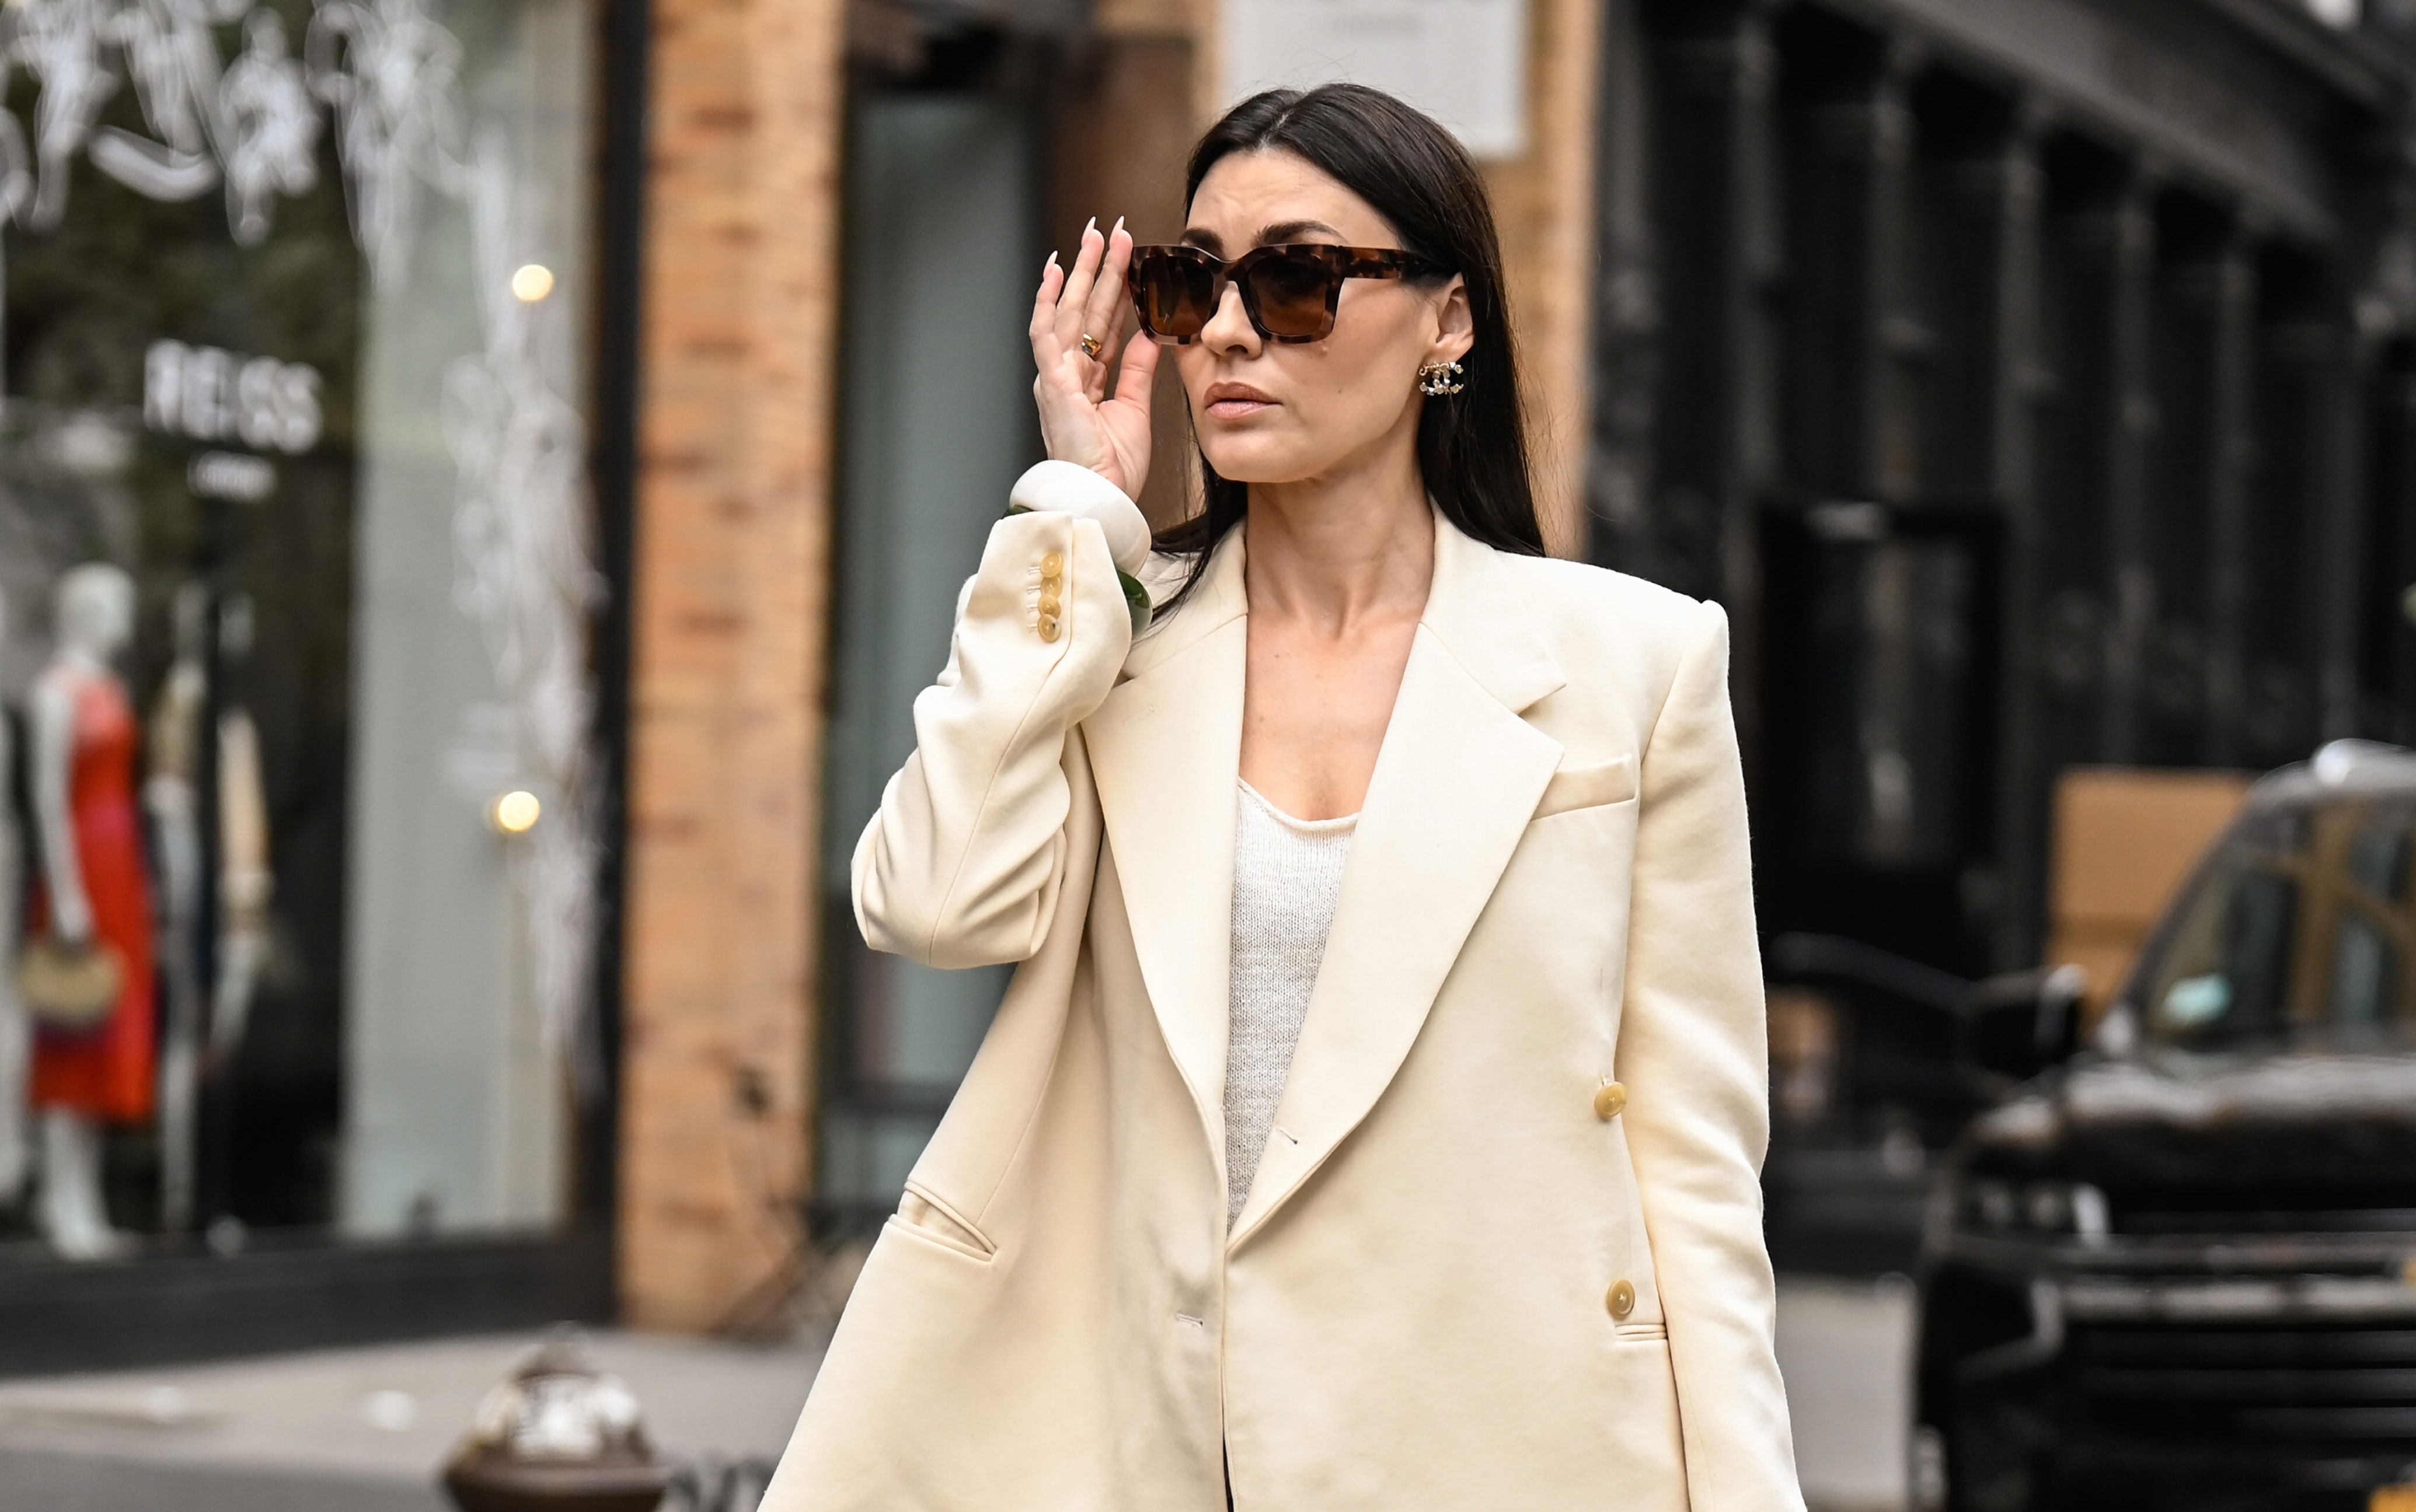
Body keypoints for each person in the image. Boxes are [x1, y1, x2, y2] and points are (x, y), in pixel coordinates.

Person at [765, 84, 1802, 1510]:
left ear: (1449, 321)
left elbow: (1695, 1173)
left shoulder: (1637, 664)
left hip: (1506, 1452)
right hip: (1137, 1440)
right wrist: (1076, 515)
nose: (1234, 332)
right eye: (1195, 283)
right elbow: (934, 906)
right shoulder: (1104, 644)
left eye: (1300, 279)